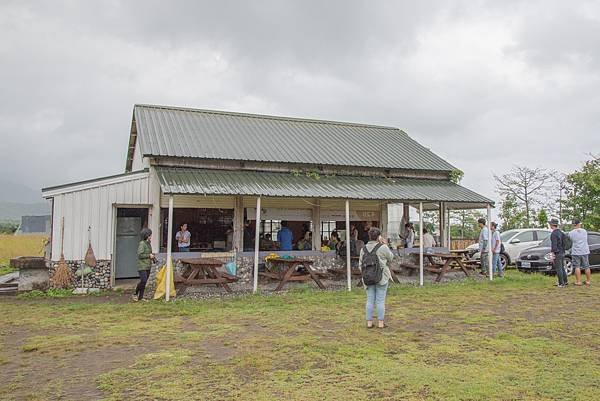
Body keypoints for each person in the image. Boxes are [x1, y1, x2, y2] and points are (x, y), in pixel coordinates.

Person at [359, 227, 394, 329]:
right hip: (382, 277)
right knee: (380, 301)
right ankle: (380, 323)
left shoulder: (363, 249)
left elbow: (360, 265)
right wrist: (385, 244)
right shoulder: (383, 247)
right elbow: (391, 258)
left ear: (369, 236)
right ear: (379, 236)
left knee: (369, 300)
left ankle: (369, 323)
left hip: (367, 278)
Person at [134, 228, 155, 301]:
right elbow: (140, 255)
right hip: (142, 266)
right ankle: (135, 293)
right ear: (147, 235)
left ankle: (141, 297)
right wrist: (149, 256)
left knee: (145, 282)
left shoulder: (148, 243)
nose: (151, 236)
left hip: (148, 265)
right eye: (150, 235)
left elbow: (149, 253)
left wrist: (152, 257)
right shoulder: (142, 244)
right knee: (143, 280)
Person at [569, 219, 591, 286]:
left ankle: (578, 281)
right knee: (587, 266)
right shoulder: (584, 231)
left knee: (577, 267)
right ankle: (588, 281)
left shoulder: (571, 233)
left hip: (576, 252)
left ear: (573, 225)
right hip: (585, 251)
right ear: (579, 224)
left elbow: (570, 241)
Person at [549, 218, 568, 288]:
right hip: (562, 252)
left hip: (557, 253)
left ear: (552, 225)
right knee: (562, 267)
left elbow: (554, 245)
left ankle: (561, 283)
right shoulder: (561, 232)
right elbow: (564, 243)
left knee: (558, 268)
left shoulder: (553, 234)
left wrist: (553, 253)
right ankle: (565, 281)